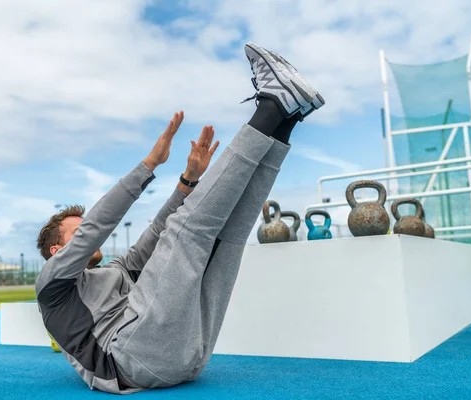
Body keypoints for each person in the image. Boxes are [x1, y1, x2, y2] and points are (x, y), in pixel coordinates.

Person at [35, 42, 325, 394]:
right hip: (128, 360)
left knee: (226, 240)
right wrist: (149, 165)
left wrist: (188, 181)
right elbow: (99, 227)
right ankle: (273, 104)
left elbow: (159, 230)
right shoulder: (51, 289)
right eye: (74, 234)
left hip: (186, 358)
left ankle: (284, 119)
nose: (85, 235)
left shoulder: (116, 271)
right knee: (187, 231)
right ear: (55, 251)